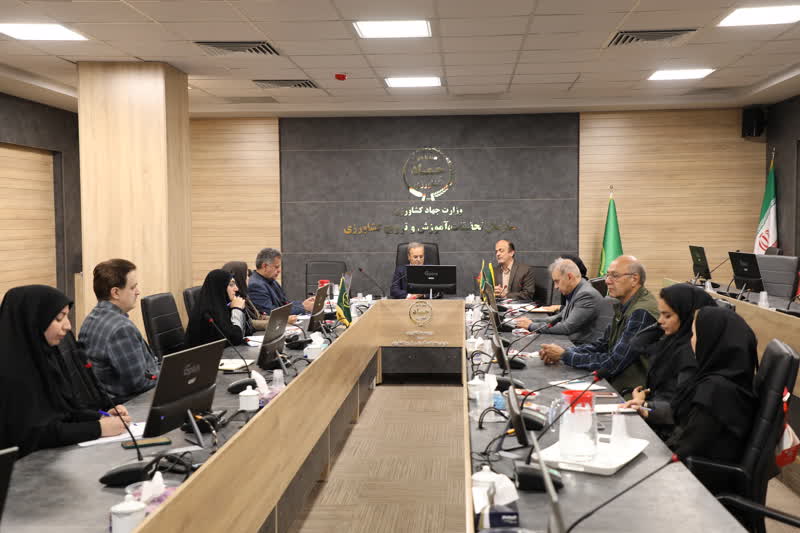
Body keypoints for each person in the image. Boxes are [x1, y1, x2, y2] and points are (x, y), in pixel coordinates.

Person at [0, 285, 130, 457]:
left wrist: (99, 416)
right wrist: (98, 428)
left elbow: (64, 412)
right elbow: (34, 435)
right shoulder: (11, 373)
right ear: (33, 321)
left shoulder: (46, 356)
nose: (68, 326)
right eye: (59, 318)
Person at [666, 306, 758, 492]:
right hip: (701, 476)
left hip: (696, 488)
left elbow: (685, 451)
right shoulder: (731, 380)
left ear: (710, 339)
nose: (691, 340)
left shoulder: (716, 391)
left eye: (694, 334)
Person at [538, 255, 659, 395]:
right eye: (608, 275)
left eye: (615, 276)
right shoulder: (624, 305)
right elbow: (602, 345)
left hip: (630, 391)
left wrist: (565, 356)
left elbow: (614, 362)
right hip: (615, 381)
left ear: (634, 279)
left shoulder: (641, 312)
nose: (607, 281)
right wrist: (564, 352)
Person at [622, 283, 715, 438]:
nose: (660, 321)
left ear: (687, 316)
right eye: (660, 314)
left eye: (667, 315)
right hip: (656, 418)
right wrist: (643, 401)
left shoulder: (691, 353)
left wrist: (645, 405)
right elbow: (637, 343)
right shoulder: (672, 341)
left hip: (668, 432)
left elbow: (679, 407)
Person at [79, 259, 160, 404]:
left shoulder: (91, 318)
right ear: (115, 292)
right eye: (133, 287)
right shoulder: (120, 329)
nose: (138, 292)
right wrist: (166, 378)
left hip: (103, 401)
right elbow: (139, 383)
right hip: (128, 404)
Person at [514, 259, 603, 345]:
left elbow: (566, 328)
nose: (555, 287)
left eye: (557, 281)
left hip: (579, 346)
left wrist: (531, 326)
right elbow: (558, 318)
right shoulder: (575, 290)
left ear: (569, 277)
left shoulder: (586, 295)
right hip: (569, 341)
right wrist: (530, 321)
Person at [185, 269, 247, 348]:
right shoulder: (208, 314)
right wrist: (237, 310)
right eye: (231, 285)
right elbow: (236, 339)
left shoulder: (222, 306)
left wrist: (241, 309)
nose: (236, 289)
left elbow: (246, 332)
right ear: (220, 288)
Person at [249, 248, 314, 316]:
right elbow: (271, 312)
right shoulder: (255, 286)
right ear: (265, 266)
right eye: (276, 267)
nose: (279, 270)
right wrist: (303, 307)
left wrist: (303, 304)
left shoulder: (271, 280)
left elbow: (285, 304)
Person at [222, 261, 269, 331]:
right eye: (247, 275)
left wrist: (279, 320)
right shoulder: (232, 299)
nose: (249, 278)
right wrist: (274, 323)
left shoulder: (243, 295)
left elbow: (258, 316)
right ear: (240, 278)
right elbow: (248, 324)